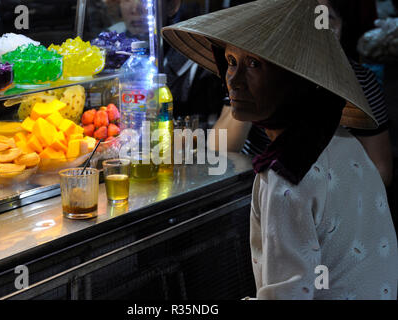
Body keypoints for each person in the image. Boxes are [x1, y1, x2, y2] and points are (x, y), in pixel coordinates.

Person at [162, 0, 398, 300]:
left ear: (294, 79)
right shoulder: (341, 142)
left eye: (254, 64)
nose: (232, 80)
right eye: (231, 61)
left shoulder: (287, 175)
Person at [211, 0, 394, 189]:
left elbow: (381, 170)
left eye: (324, 17)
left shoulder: (359, 81)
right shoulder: (255, 71)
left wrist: (326, 196)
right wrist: (253, 96)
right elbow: (220, 150)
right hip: (253, 186)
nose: (316, 25)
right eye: (302, 18)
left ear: (341, 26)